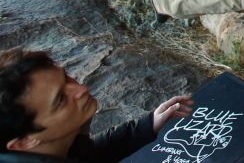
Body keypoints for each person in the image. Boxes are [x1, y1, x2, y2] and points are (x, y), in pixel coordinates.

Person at [0, 49, 193, 162]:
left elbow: (90, 155)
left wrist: (148, 125)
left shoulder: (52, 146)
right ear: (24, 142)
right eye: (60, 100)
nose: (81, 89)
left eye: (66, 78)